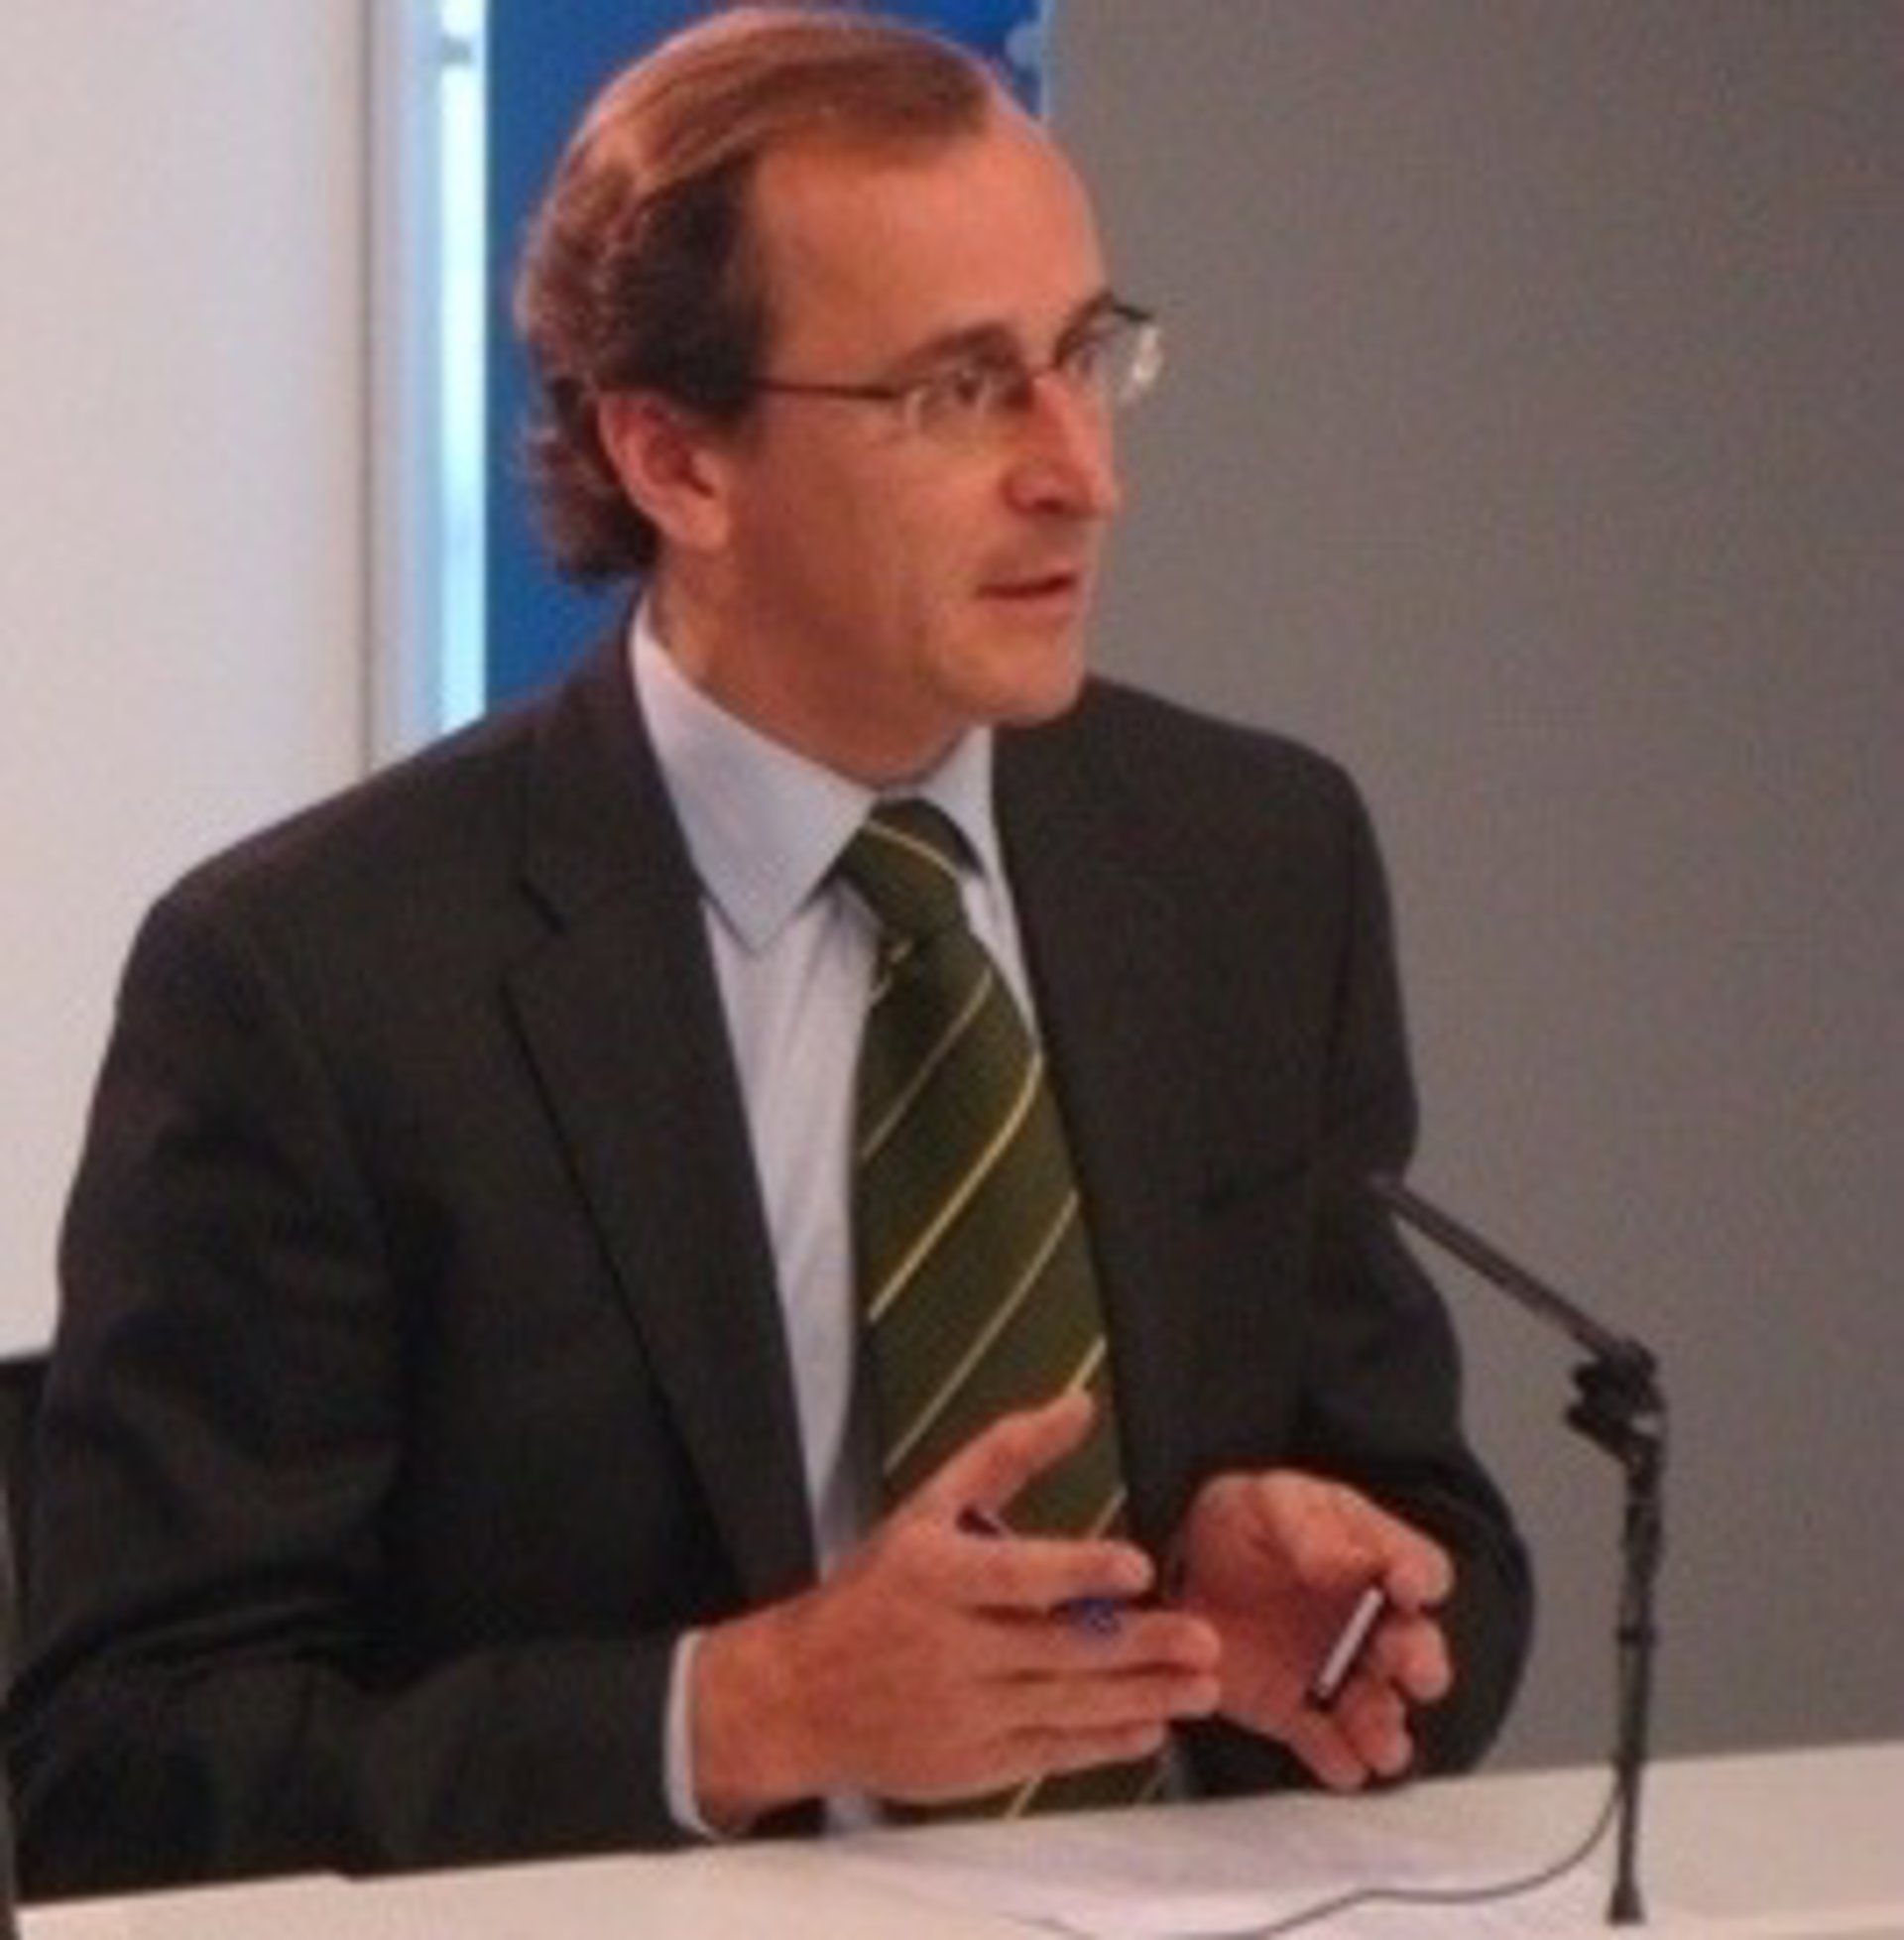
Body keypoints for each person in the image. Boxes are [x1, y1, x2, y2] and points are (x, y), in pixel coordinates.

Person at [5, 5, 1531, 1900]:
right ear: (675, 458)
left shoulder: (1251, 865)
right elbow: (123, 1771)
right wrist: (738, 1713)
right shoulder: (314, 982)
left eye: (1084, 357)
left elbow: (1425, 1522)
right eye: (960, 390)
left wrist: (1323, 1614)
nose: (1083, 472)